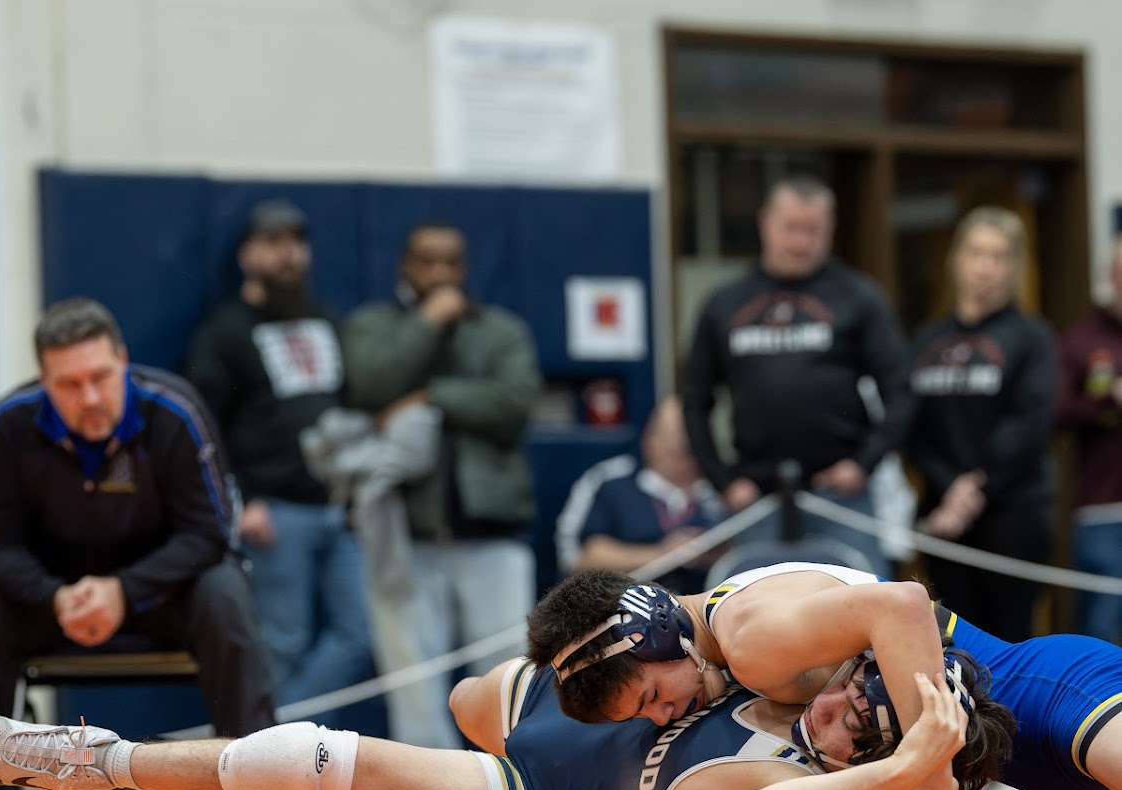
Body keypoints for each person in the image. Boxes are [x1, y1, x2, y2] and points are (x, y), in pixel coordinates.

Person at [0, 642, 1006, 790]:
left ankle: (95, 759)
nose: (842, 707)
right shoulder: (796, 680)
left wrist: (901, 770)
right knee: (462, 695)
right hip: (546, 716)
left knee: (313, 760)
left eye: (870, 724)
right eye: (860, 685)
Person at [0, 297, 277, 790]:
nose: (89, 396)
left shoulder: (174, 411)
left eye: (100, 377)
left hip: (161, 596)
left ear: (123, 361)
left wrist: (123, 590)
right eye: (69, 384)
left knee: (224, 591)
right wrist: (54, 596)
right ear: (43, 379)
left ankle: (248, 787)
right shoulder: (9, 423)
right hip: (53, 600)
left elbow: (209, 533)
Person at [540, 562, 1122, 790]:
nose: (663, 715)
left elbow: (902, 604)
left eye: (651, 696)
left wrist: (931, 774)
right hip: (1034, 753)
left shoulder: (750, 641)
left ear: (662, 631)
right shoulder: (729, 634)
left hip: (1054, 698)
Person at [343, 220, 543, 748]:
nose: (438, 273)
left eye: (449, 262)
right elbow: (369, 385)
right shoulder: (373, 324)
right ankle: (431, 789)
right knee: (413, 687)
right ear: (404, 266)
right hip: (405, 535)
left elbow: (515, 403)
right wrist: (427, 322)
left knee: (509, 679)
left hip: (492, 531)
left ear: (465, 268)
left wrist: (431, 397)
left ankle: (516, 781)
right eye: (426, 261)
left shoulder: (499, 330)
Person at [185, 199, 372, 724]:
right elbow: (203, 427)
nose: (288, 254)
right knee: (282, 643)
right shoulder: (225, 331)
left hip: (341, 508)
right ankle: (269, 758)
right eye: (273, 243)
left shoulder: (328, 321)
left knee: (360, 636)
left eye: (296, 242)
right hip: (274, 513)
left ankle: (280, 742)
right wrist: (240, 501)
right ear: (247, 255)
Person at [680, 177, 912, 577]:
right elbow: (694, 397)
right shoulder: (725, 303)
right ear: (765, 223)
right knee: (759, 607)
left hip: (841, 498)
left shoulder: (859, 296)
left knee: (861, 605)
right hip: (756, 498)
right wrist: (722, 479)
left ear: (830, 228)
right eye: (790, 228)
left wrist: (863, 463)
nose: (801, 241)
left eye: (812, 230)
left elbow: (901, 390)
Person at [906, 207, 1057, 642]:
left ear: (1014, 266)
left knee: (1009, 642)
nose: (986, 267)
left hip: (1011, 512)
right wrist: (948, 486)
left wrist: (973, 489)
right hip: (944, 516)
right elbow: (913, 425)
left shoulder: (1031, 337)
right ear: (956, 259)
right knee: (951, 642)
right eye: (976, 253)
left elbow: (1028, 423)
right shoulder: (928, 338)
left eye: (998, 256)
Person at [554, 396, 722, 594]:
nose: (687, 462)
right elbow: (580, 559)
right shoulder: (610, 482)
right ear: (650, 441)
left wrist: (710, 553)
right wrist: (662, 554)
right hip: (620, 604)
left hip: (702, 603)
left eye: (694, 449)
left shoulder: (718, 491)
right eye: (678, 452)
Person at [1054, 233, 1122, 644]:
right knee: (1102, 631)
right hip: (1103, 509)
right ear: (1108, 276)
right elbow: (1056, 412)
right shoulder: (1083, 340)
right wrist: (1108, 399)